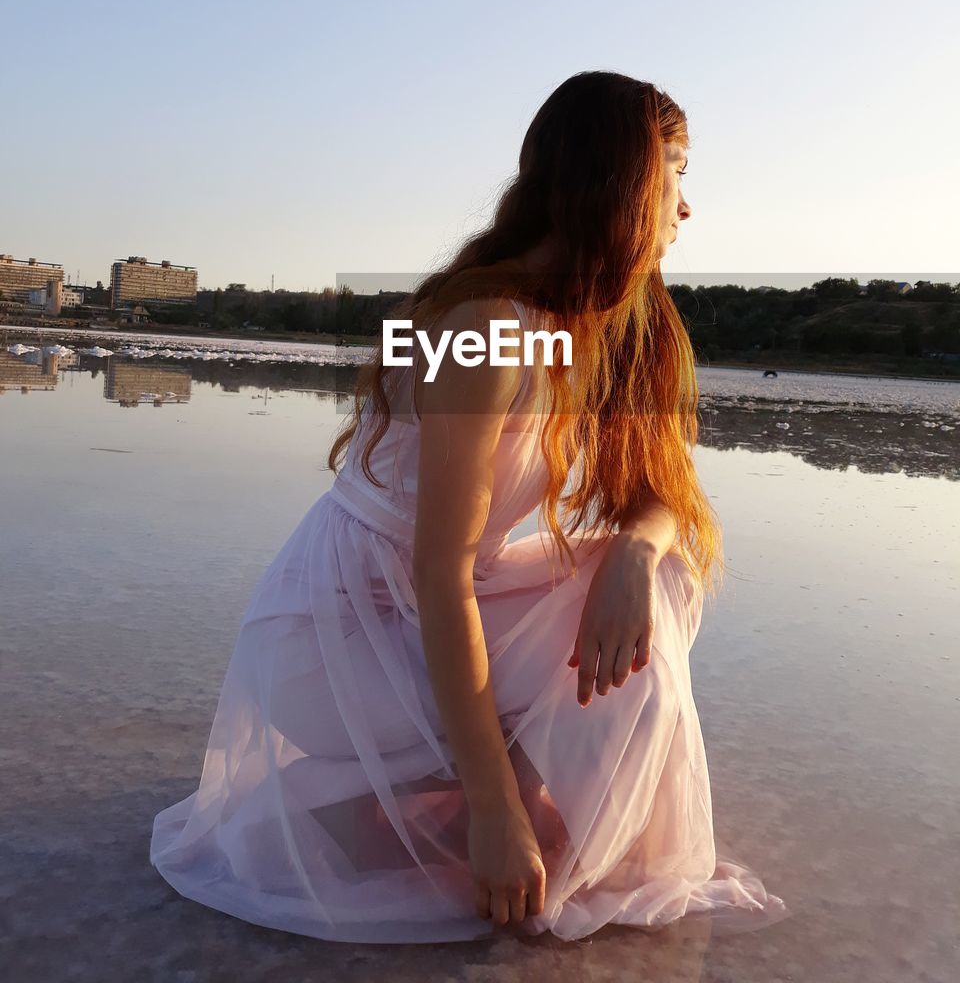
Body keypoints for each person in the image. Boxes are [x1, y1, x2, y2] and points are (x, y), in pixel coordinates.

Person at [150, 70, 790, 943]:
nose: (687, 207)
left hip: (441, 607)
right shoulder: (484, 326)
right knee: (523, 812)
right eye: (676, 170)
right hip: (343, 630)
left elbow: (663, 500)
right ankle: (462, 800)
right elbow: (436, 570)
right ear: (625, 179)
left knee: (663, 572)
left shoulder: (614, 321)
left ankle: (438, 801)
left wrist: (634, 556)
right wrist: (494, 809)